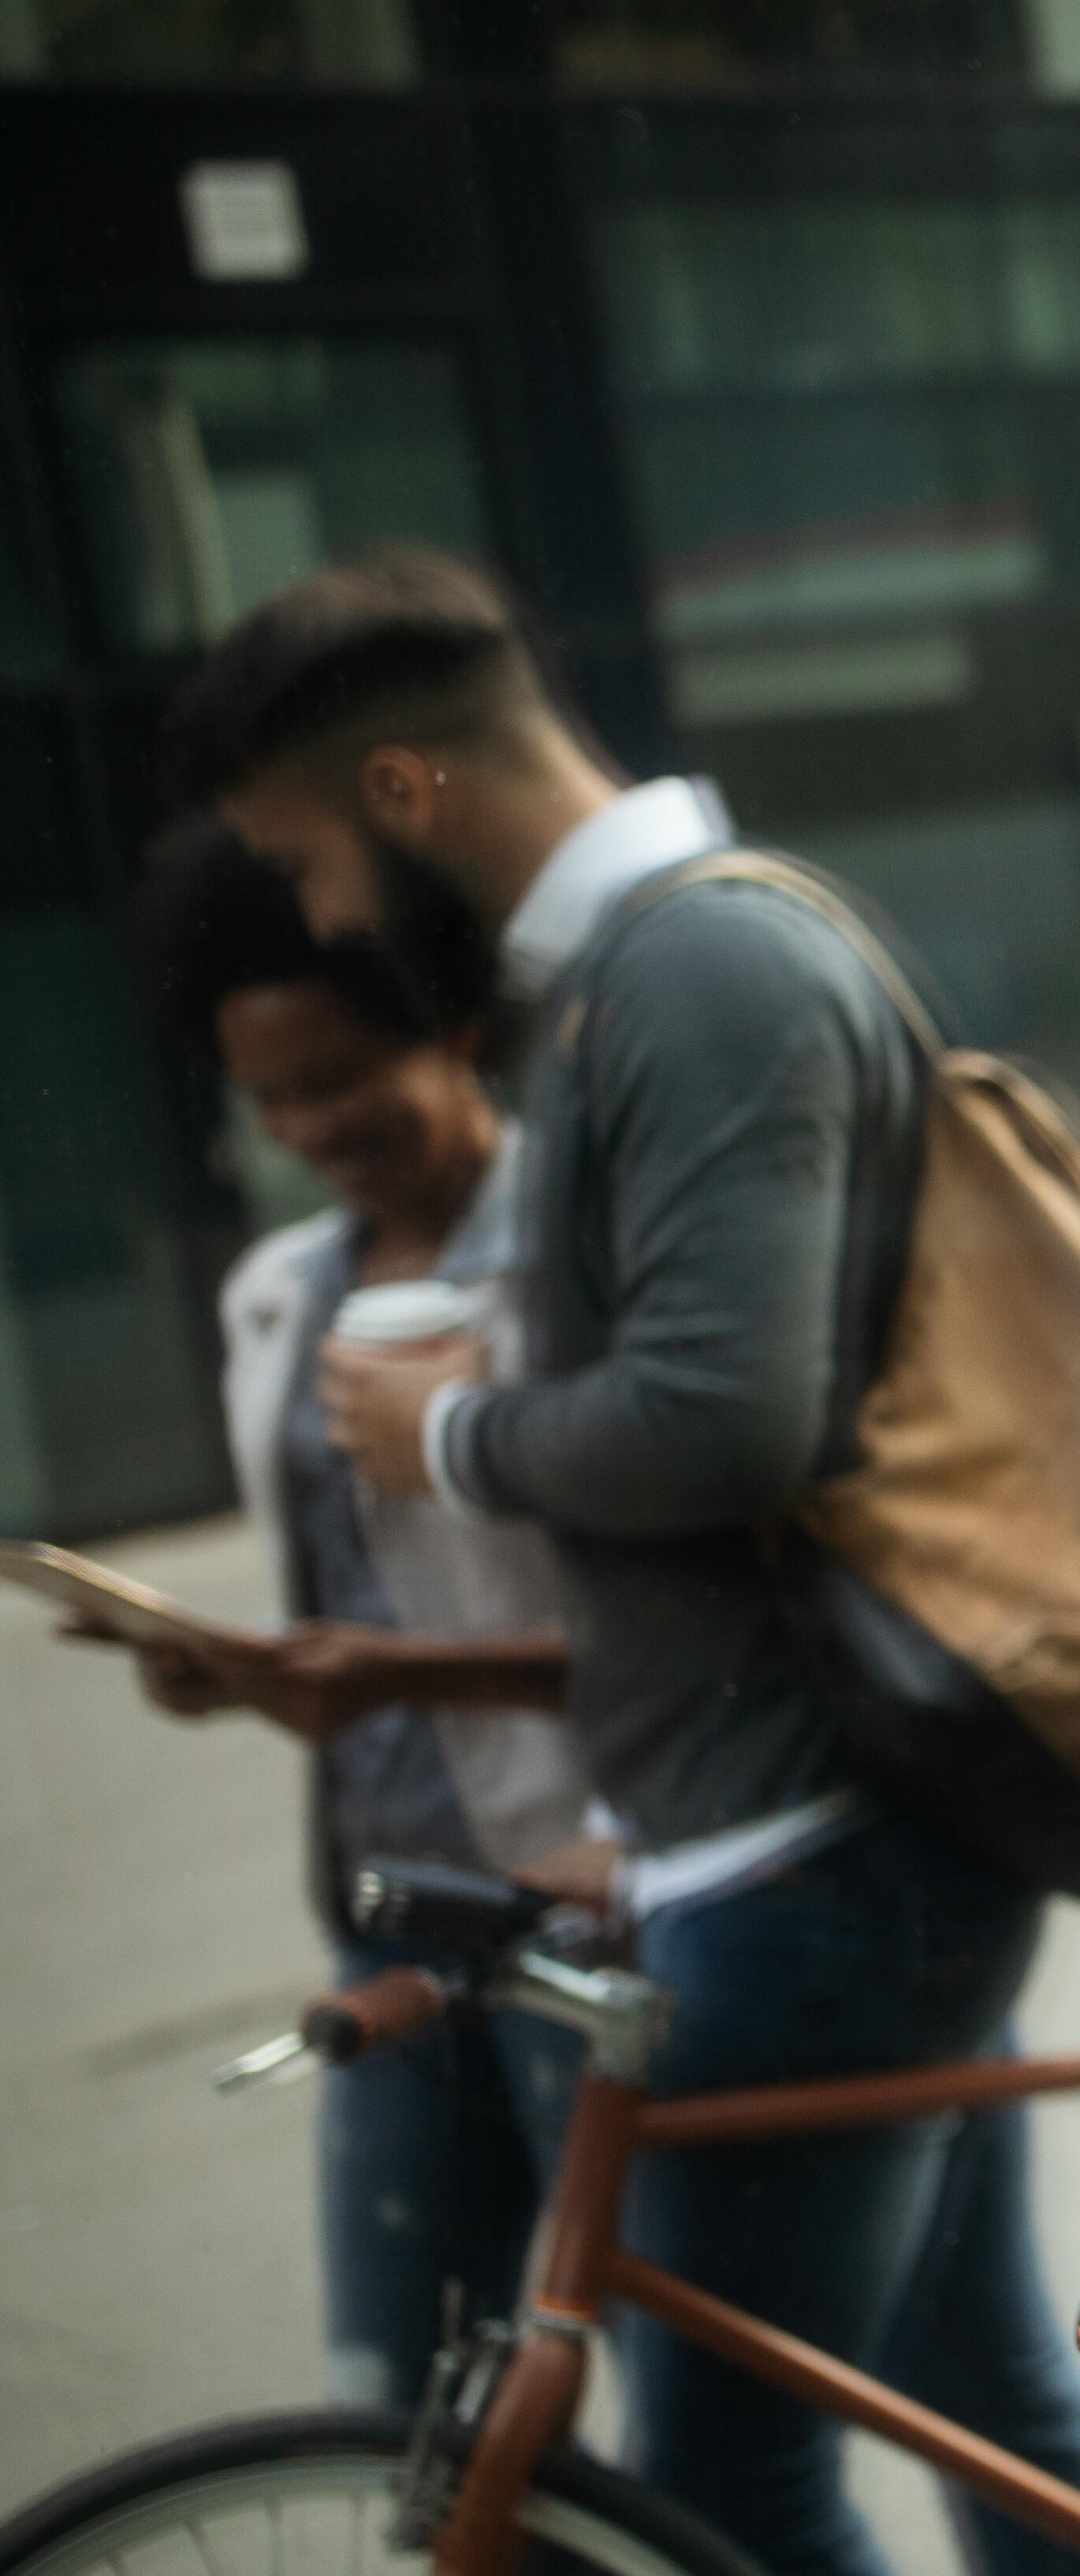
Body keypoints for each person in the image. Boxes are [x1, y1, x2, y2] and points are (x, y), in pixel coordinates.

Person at [161, 550, 1080, 2576]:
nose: (321, 901)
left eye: (319, 853)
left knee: (733, 2497)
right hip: (811, 1833)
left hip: (805, 1851)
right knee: (980, 2402)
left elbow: (726, 1421)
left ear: (408, 788)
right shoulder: (644, 974)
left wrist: (439, 1437)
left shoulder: (698, 964)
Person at [97, 815, 594, 2415]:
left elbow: (682, 1642)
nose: (317, 1124)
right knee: (403, 2405)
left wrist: (391, 1672)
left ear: (453, 1031)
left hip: (582, 1898)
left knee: (667, 2410)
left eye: (343, 1073)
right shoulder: (281, 1292)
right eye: (272, 1097)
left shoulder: (579, 1265)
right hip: (388, 1911)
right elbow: (349, 1596)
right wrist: (258, 1675)